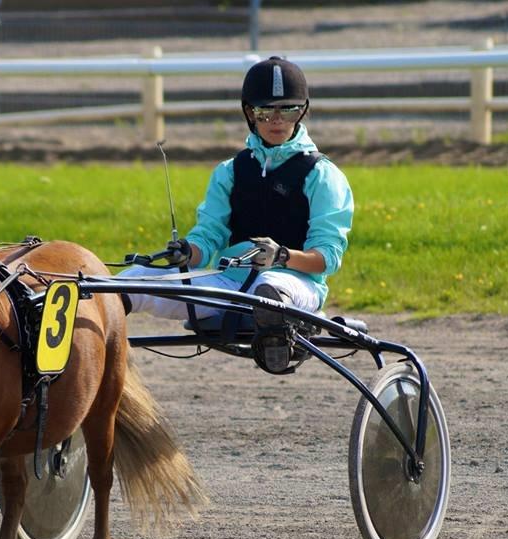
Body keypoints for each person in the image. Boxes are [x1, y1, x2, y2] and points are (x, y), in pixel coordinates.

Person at [121, 56, 354, 367]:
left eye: (288, 109)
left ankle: (277, 341)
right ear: (249, 112)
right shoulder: (229, 172)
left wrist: (282, 256)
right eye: (264, 110)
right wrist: (186, 252)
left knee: (270, 288)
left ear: (303, 111)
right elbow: (208, 237)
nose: (276, 120)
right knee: (133, 281)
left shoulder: (323, 176)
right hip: (229, 284)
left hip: (297, 286)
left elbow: (328, 257)